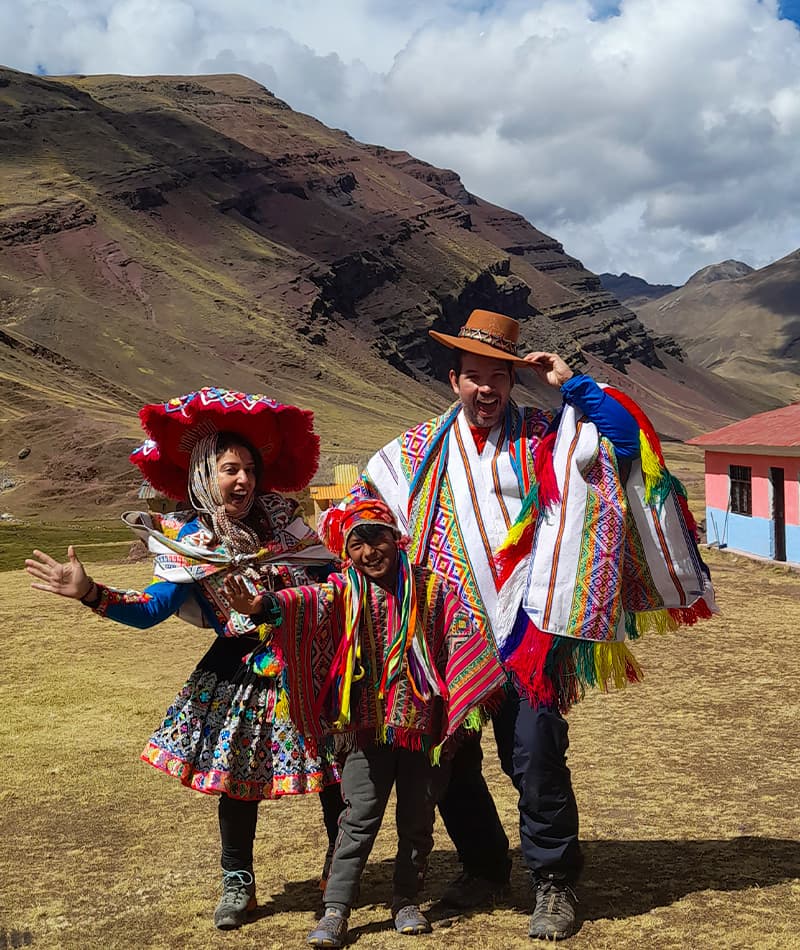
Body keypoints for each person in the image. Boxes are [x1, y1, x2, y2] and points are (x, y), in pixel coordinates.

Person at [345, 309, 715, 940]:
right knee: (450, 763)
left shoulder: (548, 435)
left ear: (515, 381)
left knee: (537, 756)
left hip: (530, 628)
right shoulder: (413, 452)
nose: (486, 390)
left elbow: (625, 444)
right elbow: (367, 507)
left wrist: (572, 384)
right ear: (453, 379)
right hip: (450, 636)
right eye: (474, 377)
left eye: (499, 377)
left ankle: (553, 880)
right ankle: (485, 868)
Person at [25, 388, 345, 931]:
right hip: (240, 672)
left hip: (307, 660)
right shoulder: (189, 539)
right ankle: (237, 882)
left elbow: (331, 578)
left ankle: (340, 871)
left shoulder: (286, 522)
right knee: (238, 779)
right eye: (228, 470)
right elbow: (151, 609)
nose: (241, 480)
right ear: (203, 473)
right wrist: (90, 592)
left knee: (336, 774)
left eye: (248, 468)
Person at [224, 498, 507, 948]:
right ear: (346, 551)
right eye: (356, 543)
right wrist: (263, 606)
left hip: (423, 730)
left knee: (418, 818)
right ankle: (336, 909)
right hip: (363, 729)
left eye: (377, 538)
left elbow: (462, 634)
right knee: (357, 818)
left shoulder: (431, 590)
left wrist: (469, 687)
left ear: (397, 539)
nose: (369, 551)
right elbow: (305, 601)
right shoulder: (341, 590)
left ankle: (406, 900)